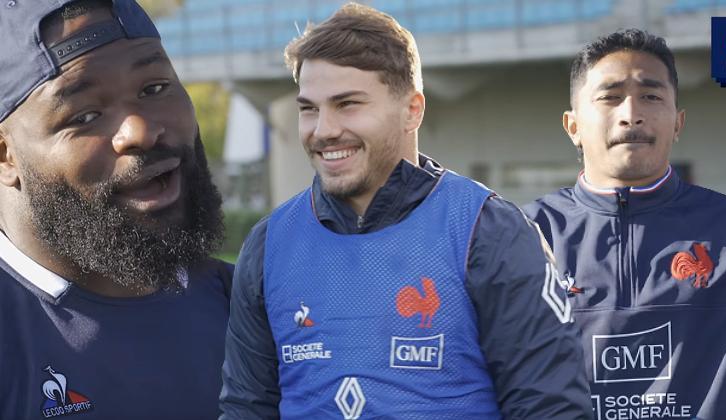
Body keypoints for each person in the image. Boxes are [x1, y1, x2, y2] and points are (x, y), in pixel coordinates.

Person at [219, 3, 591, 419]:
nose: (323, 130)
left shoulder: (489, 231)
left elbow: (550, 407)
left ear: (412, 110)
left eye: (348, 104)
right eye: (309, 108)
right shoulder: (270, 245)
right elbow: (246, 409)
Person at [523, 29, 726, 419]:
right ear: (573, 126)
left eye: (652, 96)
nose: (631, 112)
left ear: (677, 123)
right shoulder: (520, 236)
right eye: (610, 96)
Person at [0, 1, 231, 419]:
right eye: (85, 115)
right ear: (5, 156)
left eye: (154, 89)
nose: (139, 131)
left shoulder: (249, 303)